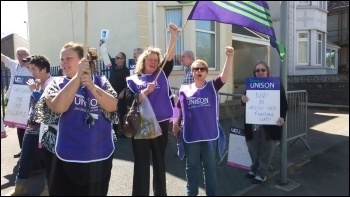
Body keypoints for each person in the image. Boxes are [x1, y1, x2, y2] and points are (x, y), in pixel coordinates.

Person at [36, 42, 118, 196]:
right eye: (62, 59)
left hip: (100, 156)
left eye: (68, 58)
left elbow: (113, 106)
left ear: (82, 60)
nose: (64, 62)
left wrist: (92, 87)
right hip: (64, 156)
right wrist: (77, 79)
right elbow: (59, 107)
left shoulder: (101, 81)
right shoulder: (55, 83)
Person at [125, 22, 178, 196]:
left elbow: (169, 56)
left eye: (156, 60)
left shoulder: (162, 72)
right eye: (151, 60)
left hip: (161, 125)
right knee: (141, 163)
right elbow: (127, 100)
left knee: (159, 161)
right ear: (144, 61)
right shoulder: (134, 79)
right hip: (141, 124)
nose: (154, 63)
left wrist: (173, 35)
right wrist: (145, 92)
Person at [173, 46, 234, 196]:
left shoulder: (212, 86)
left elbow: (225, 76)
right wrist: (175, 123)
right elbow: (178, 107)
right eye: (196, 69)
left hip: (209, 135)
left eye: (202, 69)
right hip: (191, 136)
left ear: (206, 72)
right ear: (192, 72)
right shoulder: (184, 89)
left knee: (210, 168)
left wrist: (230, 57)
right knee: (191, 167)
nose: (199, 71)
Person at [5, 55, 53, 196]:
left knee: (48, 159)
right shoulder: (38, 82)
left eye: (33, 69)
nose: (30, 72)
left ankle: (48, 189)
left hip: (47, 129)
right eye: (30, 68)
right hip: (32, 127)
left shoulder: (53, 83)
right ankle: (19, 188)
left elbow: (48, 105)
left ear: (43, 69)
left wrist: (34, 90)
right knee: (25, 157)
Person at [241, 61, 288, 184]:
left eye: (263, 70)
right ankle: (254, 169)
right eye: (257, 70)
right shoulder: (251, 84)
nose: (260, 72)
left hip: (269, 125)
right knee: (253, 149)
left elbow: (283, 103)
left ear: (267, 72)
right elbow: (245, 100)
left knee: (266, 151)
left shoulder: (276, 84)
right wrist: (243, 99)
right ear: (254, 73)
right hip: (253, 125)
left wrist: (282, 117)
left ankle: (262, 174)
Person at [1, 48, 33, 158]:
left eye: (25, 54)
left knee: (30, 125)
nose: (22, 57)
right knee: (20, 126)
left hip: (29, 101)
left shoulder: (32, 66)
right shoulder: (13, 64)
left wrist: (29, 65)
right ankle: (23, 149)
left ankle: (32, 151)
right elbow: (3, 58)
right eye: (20, 55)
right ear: (17, 56)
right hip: (14, 99)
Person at [99, 40, 130, 138]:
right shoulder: (114, 67)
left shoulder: (126, 70)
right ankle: (114, 131)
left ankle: (125, 131)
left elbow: (128, 83)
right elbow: (106, 57)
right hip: (111, 94)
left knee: (121, 113)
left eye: (118, 57)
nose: (115, 59)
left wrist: (123, 91)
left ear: (123, 59)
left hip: (120, 96)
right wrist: (102, 45)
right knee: (112, 112)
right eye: (116, 57)